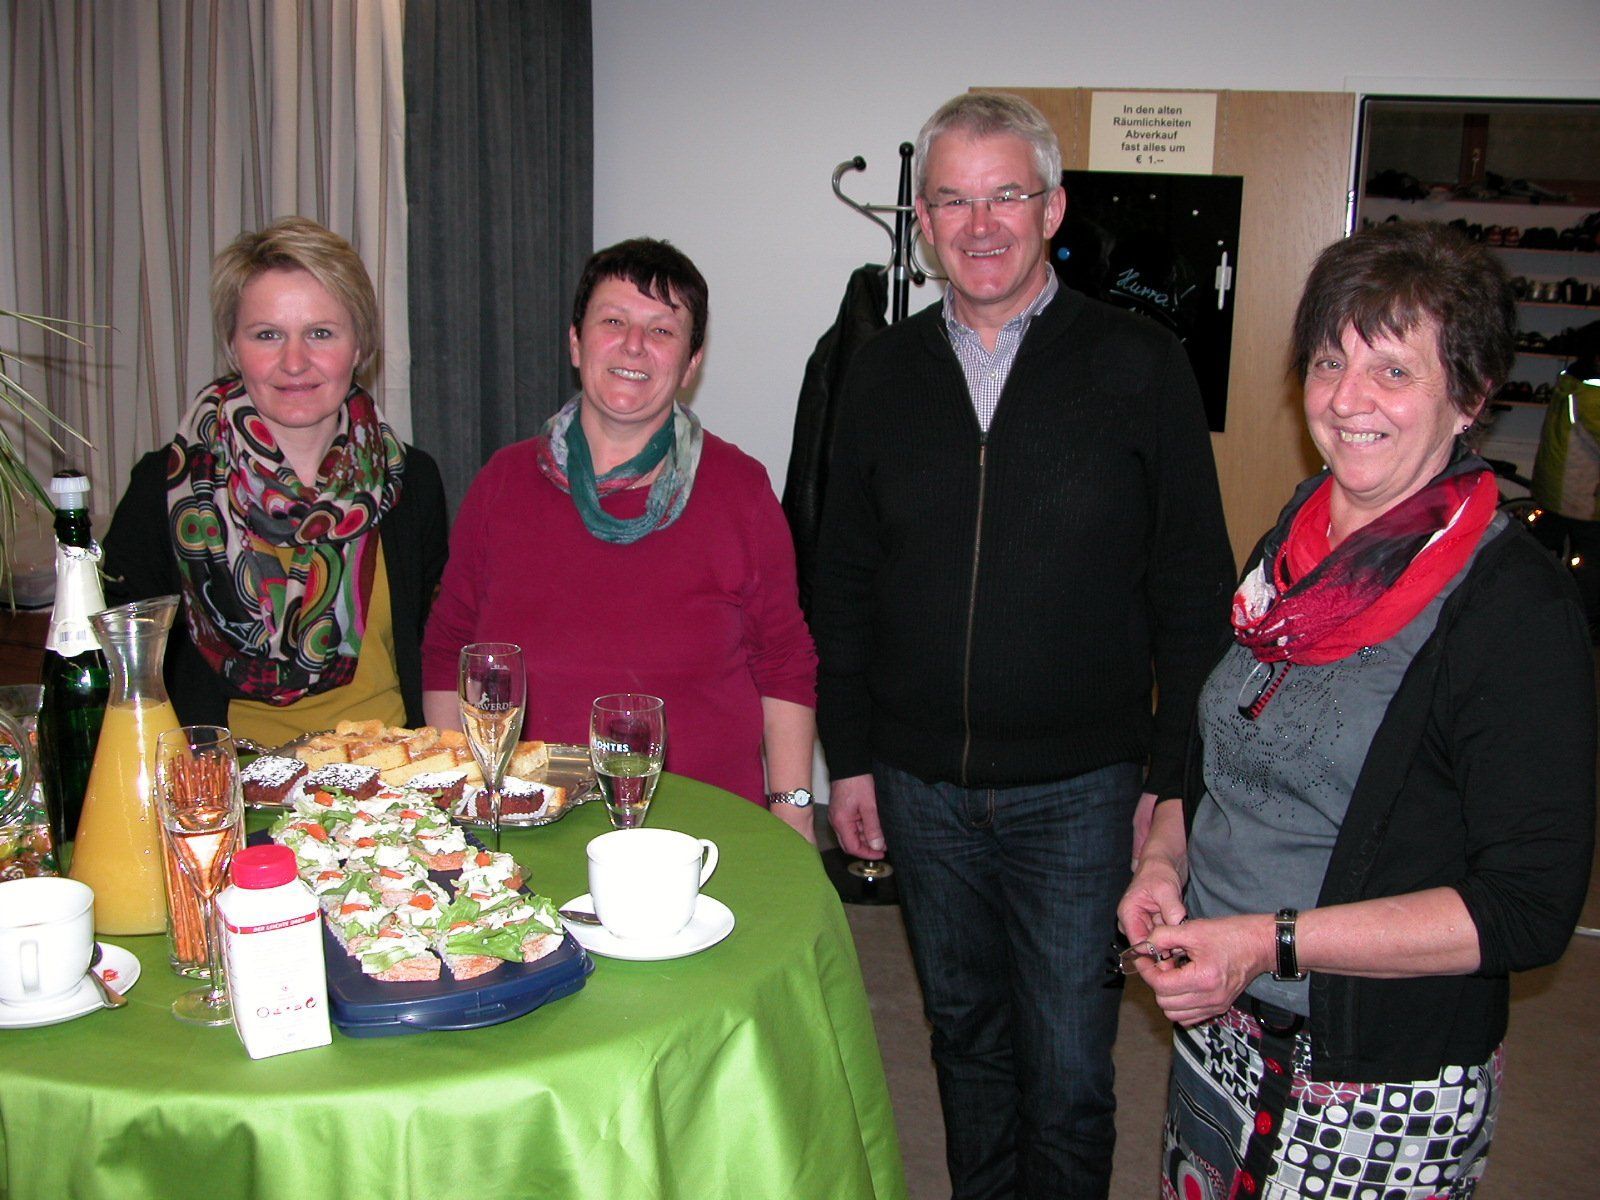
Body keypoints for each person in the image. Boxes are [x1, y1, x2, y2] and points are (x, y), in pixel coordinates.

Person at [812, 92, 1235, 1199]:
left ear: (1052, 207)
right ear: (922, 216)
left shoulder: (1140, 365)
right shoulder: (881, 372)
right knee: (965, 1049)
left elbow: (1194, 594)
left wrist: (1169, 780)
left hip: (1082, 793)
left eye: (1007, 193)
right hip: (919, 784)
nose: (981, 220)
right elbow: (843, 582)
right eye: (953, 197)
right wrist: (848, 755)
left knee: (1065, 1070)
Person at [1117, 221, 1595, 1200]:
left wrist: (1269, 938)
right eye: (1330, 360)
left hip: (1376, 1075)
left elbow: (1526, 908)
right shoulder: (1291, 544)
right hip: (1221, 1023)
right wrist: (1165, 858)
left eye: (1392, 371)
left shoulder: (1513, 607)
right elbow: (1216, 747)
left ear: (1467, 400)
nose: (1346, 400)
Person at [420, 238, 818, 841]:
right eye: (613, 321)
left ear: (690, 363)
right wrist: (459, 796)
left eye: (662, 330)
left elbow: (784, 662)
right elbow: (449, 645)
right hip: (531, 822)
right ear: (576, 342)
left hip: (705, 826)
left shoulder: (741, 489)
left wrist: (793, 811)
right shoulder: (502, 482)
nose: (634, 345)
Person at [103, 217, 448, 742]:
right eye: (267, 335)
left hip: (389, 779)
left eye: (320, 333)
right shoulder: (164, 489)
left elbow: (435, 647)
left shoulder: (412, 481)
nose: (294, 362)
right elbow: (123, 676)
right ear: (232, 346)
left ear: (360, 347)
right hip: (228, 790)